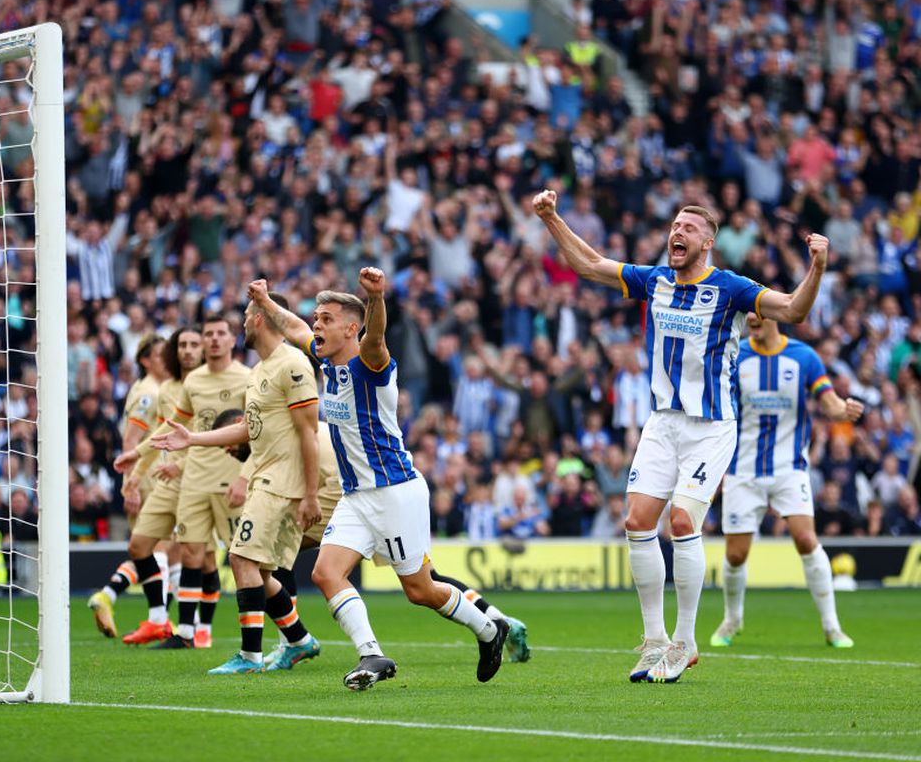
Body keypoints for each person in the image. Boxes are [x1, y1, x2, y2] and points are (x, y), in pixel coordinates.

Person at [532, 189, 829, 683]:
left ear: (708, 242)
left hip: (711, 427)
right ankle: (653, 640)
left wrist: (816, 267)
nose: (677, 233)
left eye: (689, 229)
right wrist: (551, 218)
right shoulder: (655, 281)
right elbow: (591, 265)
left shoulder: (732, 288)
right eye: (674, 226)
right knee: (635, 519)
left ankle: (686, 641)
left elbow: (794, 311)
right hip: (663, 422)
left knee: (681, 522)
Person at [251, 270, 508, 691]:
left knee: (420, 590)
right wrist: (264, 302)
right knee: (325, 573)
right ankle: (371, 653)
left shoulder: (370, 363)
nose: (316, 325)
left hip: (394, 492)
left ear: (352, 328)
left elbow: (376, 338)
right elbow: (293, 326)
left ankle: (488, 630)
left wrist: (376, 298)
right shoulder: (328, 366)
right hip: (356, 497)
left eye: (326, 319)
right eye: (316, 318)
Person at [152, 290, 322, 671]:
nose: (244, 322)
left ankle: (250, 655)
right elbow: (248, 428)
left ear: (260, 318)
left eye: (247, 315)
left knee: (240, 558)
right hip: (266, 474)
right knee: (261, 570)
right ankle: (299, 640)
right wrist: (192, 438)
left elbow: (309, 433)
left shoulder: (292, 364)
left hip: (282, 480)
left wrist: (310, 494)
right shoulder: (260, 369)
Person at [712, 314, 864, 649]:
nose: (751, 318)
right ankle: (732, 619)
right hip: (744, 468)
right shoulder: (737, 356)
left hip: (789, 467)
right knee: (736, 555)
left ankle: (832, 627)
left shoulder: (803, 357)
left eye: (757, 312)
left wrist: (841, 410)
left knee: (806, 539)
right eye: (747, 313)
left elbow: (826, 398)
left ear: (775, 317)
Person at [91, 328, 205, 644]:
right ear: (144, 360)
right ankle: (112, 595)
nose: (168, 359)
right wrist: (132, 483)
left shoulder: (170, 389)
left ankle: (182, 622)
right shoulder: (148, 392)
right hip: (154, 479)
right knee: (162, 549)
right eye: (160, 354)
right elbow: (131, 439)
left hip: (171, 474)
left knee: (178, 549)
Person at [151, 316, 249, 649]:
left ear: (233, 340)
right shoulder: (192, 382)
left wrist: (245, 476)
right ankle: (188, 633)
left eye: (221, 334)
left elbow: (255, 434)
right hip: (194, 479)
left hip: (230, 479)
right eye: (209, 335)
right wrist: (138, 455)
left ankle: (266, 633)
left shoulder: (247, 379)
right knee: (191, 553)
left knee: (247, 560)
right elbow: (174, 424)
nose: (215, 340)